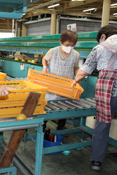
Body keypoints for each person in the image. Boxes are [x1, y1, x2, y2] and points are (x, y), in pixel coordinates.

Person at [71, 25, 117, 171]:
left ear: (103, 36)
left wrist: (75, 80)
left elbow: (86, 68)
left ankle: (96, 161)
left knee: (103, 124)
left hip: (109, 91)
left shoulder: (100, 47)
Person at [42, 30, 80, 130]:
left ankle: (60, 129)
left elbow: (76, 68)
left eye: (72, 45)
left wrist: (78, 79)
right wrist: (45, 67)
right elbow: (45, 59)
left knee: (64, 109)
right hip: (52, 86)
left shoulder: (76, 54)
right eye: (67, 45)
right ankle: (43, 127)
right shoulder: (53, 51)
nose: (69, 48)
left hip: (66, 87)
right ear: (61, 42)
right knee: (46, 108)